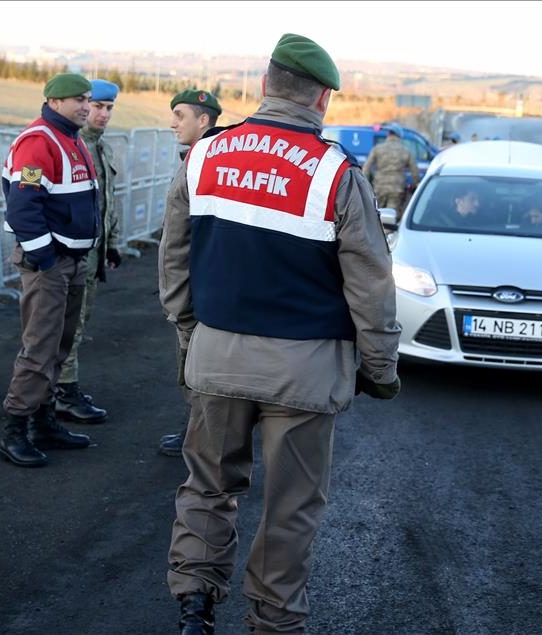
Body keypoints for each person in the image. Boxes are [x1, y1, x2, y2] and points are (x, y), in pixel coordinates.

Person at [162, 33, 401, 634]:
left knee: (208, 485)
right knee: (290, 508)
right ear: (322, 99)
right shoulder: (336, 173)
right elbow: (370, 285)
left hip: (216, 356)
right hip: (305, 370)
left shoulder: (205, 156)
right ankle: (273, 622)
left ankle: (194, 604)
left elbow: (175, 257)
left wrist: (192, 333)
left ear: (265, 86)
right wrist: (380, 368)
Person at [0, 73, 99, 467]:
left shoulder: (72, 139)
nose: (85, 106)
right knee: (38, 350)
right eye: (77, 99)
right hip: (50, 263)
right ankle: (14, 430)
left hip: (69, 262)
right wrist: (46, 259)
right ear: (54, 101)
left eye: (88, 99)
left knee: (59, 345)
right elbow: (23, 209)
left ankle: (43, 421)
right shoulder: (39, 141)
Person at [157, 87, 222, 457]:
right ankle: (195, 429)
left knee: (196, 368)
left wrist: (179, 297)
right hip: (188, 288)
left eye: (179, 115)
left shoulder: (207, 160)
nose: (172, 123)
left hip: (194, 291)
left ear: (203, 120)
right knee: (189, 366)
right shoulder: (196, 157)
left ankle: (201, 438)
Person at [54, 79, 122, 423]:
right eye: (97, 106)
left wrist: (113, 244)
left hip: (94, 254)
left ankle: (61, 388)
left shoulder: (101, 148)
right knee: (69, 324)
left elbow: (108, 202)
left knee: (79, 322)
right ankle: (62, 392)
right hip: (73, 255)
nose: (103, 113)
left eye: (109, 108)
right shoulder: (71, 146)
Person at [362, 123, 419, 220]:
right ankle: (388, 234)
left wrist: (365, 185)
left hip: (379, 188)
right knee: (391, 218)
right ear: (399, 136)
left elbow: (366, 169)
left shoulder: (377, 149)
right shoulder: (405, 151)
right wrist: (414, 186)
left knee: (376, 217)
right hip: (397, 190)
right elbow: (415, 173)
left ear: (388, 135)